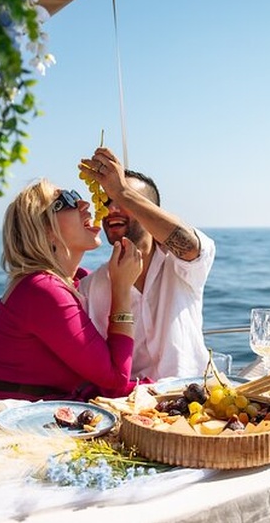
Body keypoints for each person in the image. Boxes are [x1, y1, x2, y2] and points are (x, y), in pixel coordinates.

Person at [0, 179, 143, 418]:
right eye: (67, 200)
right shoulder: (42, 290)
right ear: (44, 228)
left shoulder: (75, 281)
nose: (84, 203)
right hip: (2, 424)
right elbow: (116, 380)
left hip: (38, 415)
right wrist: (121, 290)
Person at [76, 147, 216, 381]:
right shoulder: (90, 287)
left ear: (151, 211)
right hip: (129, 406)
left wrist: (122, 190)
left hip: (194, 398)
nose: (112, 208)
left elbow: (190, 245)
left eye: (123, 199)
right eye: (108, 200)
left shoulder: (183, 265)